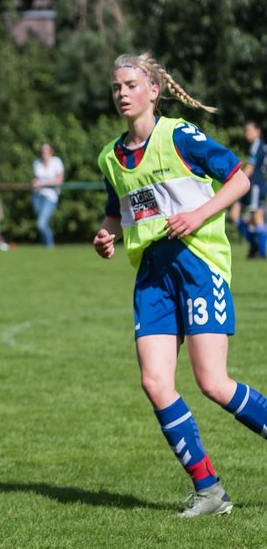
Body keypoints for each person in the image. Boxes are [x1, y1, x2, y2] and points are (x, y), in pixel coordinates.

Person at [92, 52, 267, 518]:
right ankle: (209, 490)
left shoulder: (179, 136)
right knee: (155, 382)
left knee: (212, 381)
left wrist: (198, 215)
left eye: (131, 85)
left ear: (154, 90)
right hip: (153, 274)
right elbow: (121, 210)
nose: (122, 93)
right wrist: (109, 233)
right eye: (116, 87)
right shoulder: (111, 156)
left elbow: (240, 180)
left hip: (197, 265)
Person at [232, 120, 266, 259]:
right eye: (246, 131)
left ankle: (262, 252)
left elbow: (251, 168)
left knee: (257, 218)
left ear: (258, 131)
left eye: (250, 131)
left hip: (255, 185)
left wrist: (237, 181)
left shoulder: (258, 145)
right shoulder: (257, 146)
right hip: (249, 186)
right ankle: (254, 245)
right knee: (234, 215)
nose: (247, 134)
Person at [31, 142, 64, 249]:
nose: (43, 152)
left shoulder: (56, 162)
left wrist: (42, 183)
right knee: (41, 223)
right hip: (37, 196)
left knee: (41, 223)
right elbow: (35, 178)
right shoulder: (37, 163)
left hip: (51, 197)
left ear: (51, 151)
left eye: (46, 150)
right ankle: (44, 244)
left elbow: (59, 180)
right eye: (42, 150)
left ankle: (50, 245)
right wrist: (35, 183)